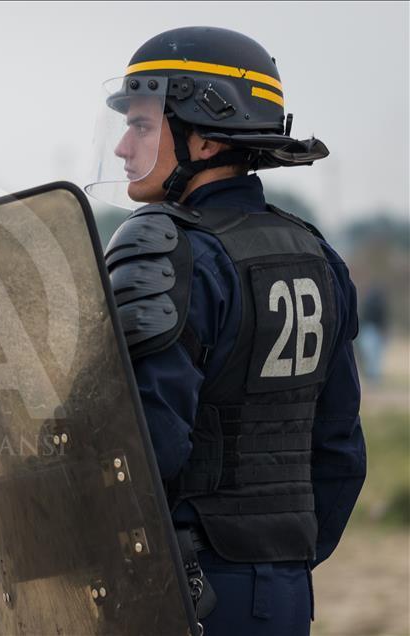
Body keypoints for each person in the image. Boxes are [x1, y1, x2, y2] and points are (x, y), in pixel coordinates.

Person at [86, 27, 366, 635]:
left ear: (205, 137)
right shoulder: (316, 252)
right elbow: (341, 451)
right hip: (286, 589)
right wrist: (277, 561)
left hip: (185, 585)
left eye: (140, 125)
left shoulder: (164, 246)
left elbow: (144, 446)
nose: (122, 149)